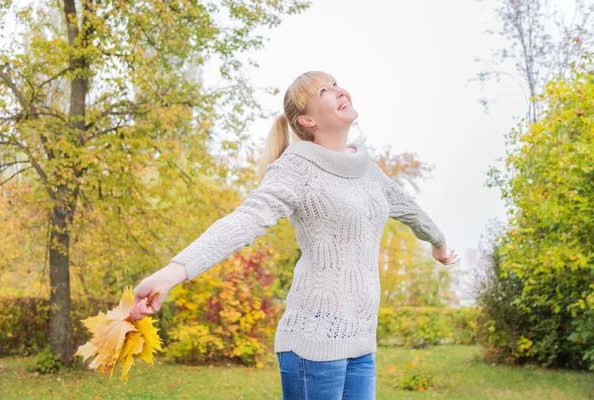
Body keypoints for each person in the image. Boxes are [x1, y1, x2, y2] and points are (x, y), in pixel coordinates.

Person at [129, 71, 458, 399]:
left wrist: (439, 244)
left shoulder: (366, 168)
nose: (338, 90)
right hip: (312, 345)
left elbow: (409, 208)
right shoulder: (297, 166)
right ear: (307, 119)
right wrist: (173, 272)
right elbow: (246, 220)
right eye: (324, 91)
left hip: (361, 340)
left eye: (335, 83)